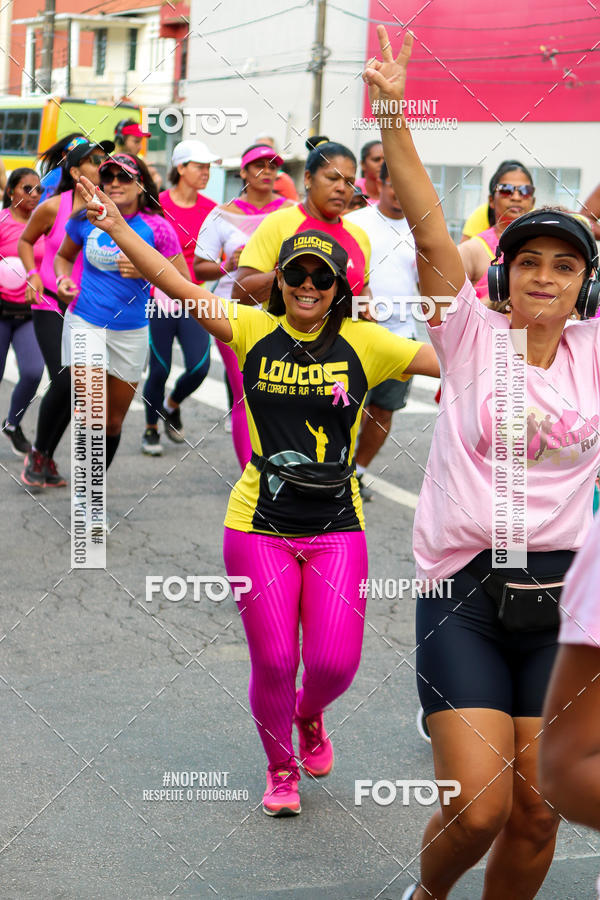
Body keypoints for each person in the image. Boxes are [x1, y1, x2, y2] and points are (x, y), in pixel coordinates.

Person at [75, 171, 440, 816]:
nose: (306, 285)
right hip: (257, 524)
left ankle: (310, 716)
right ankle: (280, 770)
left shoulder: (368, 342)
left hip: (335, 525)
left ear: (338, 290)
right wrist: (111, 226)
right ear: (281, 279)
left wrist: (537, 324)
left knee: (331, 664)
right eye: (295, 274)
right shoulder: (247, 328)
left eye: (321, 278)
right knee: (274, 659)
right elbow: (175, 282)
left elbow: (460, 357)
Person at [364, 26, 600, 900]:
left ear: (583, 284)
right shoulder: (467, 332)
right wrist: (394, 111)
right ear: (503, 275)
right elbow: (429, 225)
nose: (545, 276)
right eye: (528, 261)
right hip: (462, 586)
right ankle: (427, 896)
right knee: (481, 810)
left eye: (564, 265)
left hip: (565, 596)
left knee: (541, 813)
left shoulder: (595, 349)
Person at [55, 153, 186, 481]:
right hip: (85, 322)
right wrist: (62, 280)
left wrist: (148, 270)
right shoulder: (87, 218)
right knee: (93, 415)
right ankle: (86, 498)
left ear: (141, 184)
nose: (114, 183)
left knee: (113, 423)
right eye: (108, 177)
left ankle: (92, 483)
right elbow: (62, 257)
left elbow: (182, 282)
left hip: (132, 331)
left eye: (124, 177)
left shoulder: (159, 227)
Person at [19, 136, 113, 489]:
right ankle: (39, 453)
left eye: (104, 158)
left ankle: (45, 453)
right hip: (50, 304)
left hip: (90, 310)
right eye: (93, 159)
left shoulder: (110, 209)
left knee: (78, 390)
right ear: (75, 171)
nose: (101, 164)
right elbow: (26, 241)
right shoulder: (53, 206)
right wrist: (32, 276)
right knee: (64, 379)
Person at [194, 143, 294, 468]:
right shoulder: (221, 214)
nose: (267, 172)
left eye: (273, 166)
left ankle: (280, 465)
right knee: (245, 394)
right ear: (244, 172)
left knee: (280, 395)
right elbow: (198, 267)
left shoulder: (294, 211)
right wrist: (229, 263)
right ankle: (249, 477)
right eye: (258, 165)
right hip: (231, 311)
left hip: (286, 312)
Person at [346, 160, 428, 500]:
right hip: (353, 334)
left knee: (383, 412)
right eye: (393, 183)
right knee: (344, 409)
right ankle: (330, 472)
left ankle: (357, 473)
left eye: (406, 184)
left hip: (401, 337)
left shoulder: (423, 230)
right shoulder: (354, 223)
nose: (399, 192)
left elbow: (430, 284)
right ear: (379, 184)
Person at [141, 140, 220, 455]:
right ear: (181, 168)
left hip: (194, 296)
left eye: (208, 167)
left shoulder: (213, 209)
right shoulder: (154, 204)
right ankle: (150, 429)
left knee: (200, 367)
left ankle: (172, 405)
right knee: (159, 369)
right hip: (158, 297)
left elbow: (214, 258)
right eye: (200, 166)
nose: (206, 172)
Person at [539, 512, 600, 900]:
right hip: (479, 567)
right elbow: (565, 773)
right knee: (477, 809)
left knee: (533, 814)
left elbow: (565, 773)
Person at [233, 137, 371, 306]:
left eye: (349, 182)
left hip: (345, 333)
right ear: (307, 178)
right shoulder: (278, 223)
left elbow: (363, 289)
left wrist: (367, 308)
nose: (341, 188)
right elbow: (240, 293)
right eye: (332, 178)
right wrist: (294, 272)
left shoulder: (359, 235)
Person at [0, 168, 45, 456]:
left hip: (31, 311)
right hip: (1, 311)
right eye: (27, 188)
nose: (34, 195)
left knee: (32, 371)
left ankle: (12, 425)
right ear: (11, 191)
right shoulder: (2, 222)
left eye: (38, 190)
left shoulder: (44, 223)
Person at [459, 161, 535, 302]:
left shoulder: (544, 245)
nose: (516, 197)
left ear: (533, 201)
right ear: (491, 200)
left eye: (525, 191)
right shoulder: (472, 249)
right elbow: (453, 310)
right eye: (506, 190)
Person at [252, 133, 299, 201]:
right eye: (259, 148)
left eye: (267, 148)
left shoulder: (282, 179)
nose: (263, 152)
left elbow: (294, 206)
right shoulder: (250, 179)